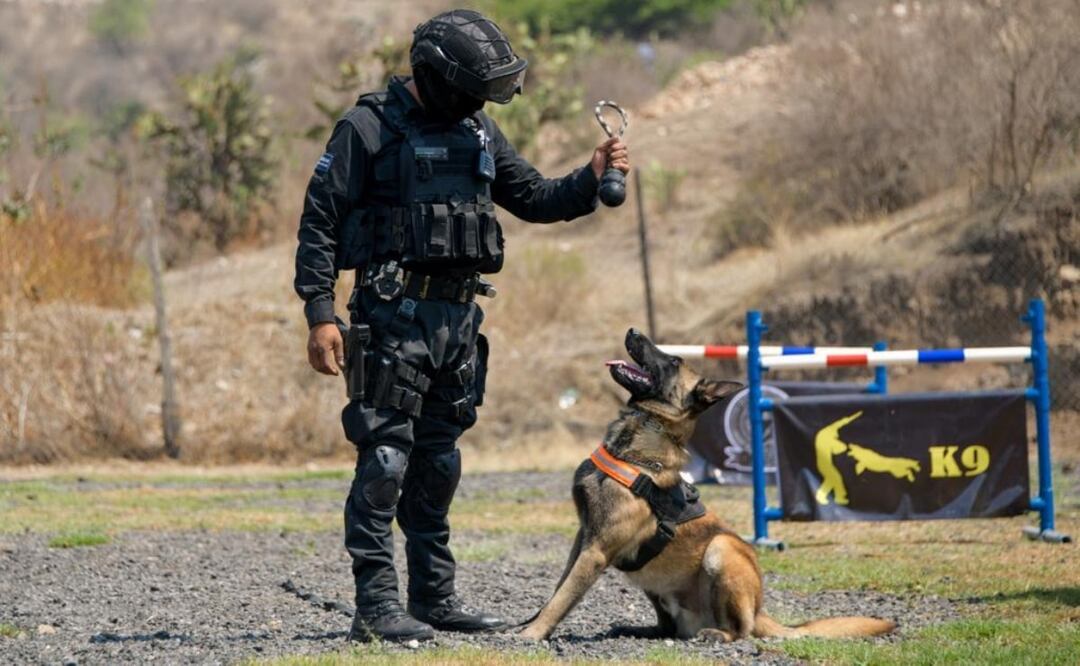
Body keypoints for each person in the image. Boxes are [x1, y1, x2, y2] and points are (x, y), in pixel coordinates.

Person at [294, 9, 630, 643]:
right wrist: (320, 313)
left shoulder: (477, 131)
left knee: (438, 463)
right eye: (473, 87)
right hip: (390, 318)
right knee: (386, 460)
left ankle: (435, 597)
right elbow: (319, 220)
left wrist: (590, 176)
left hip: (456, 322)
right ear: (437, 76)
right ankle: (376, 606)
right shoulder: (368, 127)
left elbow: (533, 197)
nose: (480, 99)